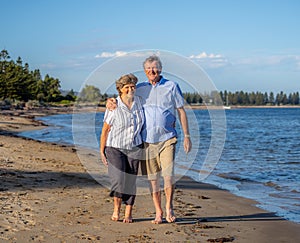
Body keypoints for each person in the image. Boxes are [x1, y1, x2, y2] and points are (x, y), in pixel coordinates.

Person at [107, 55, 192, 224]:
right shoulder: (140, 88)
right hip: (147, 141)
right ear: (145, 71)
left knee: (168, 176)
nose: (152, 71)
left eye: (155, 68)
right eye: (148, 69)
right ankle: (158, 212)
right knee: (153, 179)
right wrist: (108, 102)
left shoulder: (172, 86)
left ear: (160, 69)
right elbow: (123, 95)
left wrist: (187, 136)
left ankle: (169, 207)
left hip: (168, 138)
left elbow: (181, 111)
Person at [100, 73, 145, 223]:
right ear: (120, 89)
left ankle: (128, 213)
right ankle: (116, 210)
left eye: (133, 86)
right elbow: (105, 130)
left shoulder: (140, 102)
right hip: (115, 148)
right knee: (118, 180)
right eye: (127, 87)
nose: (131, 89)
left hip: (135, 147)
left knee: (131, 181)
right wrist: (102, 151)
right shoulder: (114, 105)